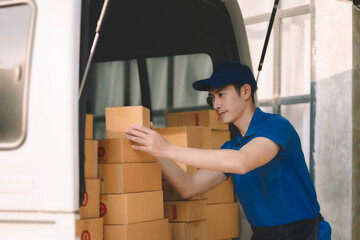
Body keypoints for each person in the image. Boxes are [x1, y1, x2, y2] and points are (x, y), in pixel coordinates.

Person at [124, 61, 331, 240]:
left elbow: (242, 162)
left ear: (245, 91)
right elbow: (189, 186)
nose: (215, 104)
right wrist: (154, 149)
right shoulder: (231, 148)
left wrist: (167, 148)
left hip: (305, 235)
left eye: (221, 94)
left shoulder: (277, 126)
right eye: (212, 98)